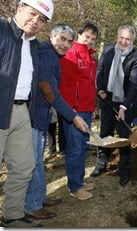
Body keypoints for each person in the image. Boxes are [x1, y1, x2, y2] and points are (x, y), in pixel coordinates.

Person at [25, 23, 88, 219]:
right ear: (51, 36)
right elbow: (48, 90)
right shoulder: (46, 54)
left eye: (69, 41)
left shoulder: (52, 54)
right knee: (32, 163)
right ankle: (31, 205)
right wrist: (73, 116)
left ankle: (40, 196)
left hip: (41, 116)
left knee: (38, 160)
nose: (65, 45)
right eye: (61, 39)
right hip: (32, 116)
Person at [0, 0, 53, 227]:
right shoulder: (2, 30)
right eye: (32, 13)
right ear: (19, 8)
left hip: (21, 112)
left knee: (24, 167)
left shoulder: (32, 45)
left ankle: (12, 216)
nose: (36, 21)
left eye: (42, 19)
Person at [90, 25, 137, 187]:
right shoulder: (108, 51)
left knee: (123, 138)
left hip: (126, 102)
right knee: (105, 133)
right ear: (117, 36)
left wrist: (124, 108)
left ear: (132, 40)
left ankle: (124, 171)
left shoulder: (136, 58)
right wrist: (100, 89)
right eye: (121, 37)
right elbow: (99, 71)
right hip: (107, 99)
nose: (124, 41)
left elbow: (134, 85)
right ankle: (101, 164)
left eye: (127, 39)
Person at [59, 22, 98, 200]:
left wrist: (93, 106)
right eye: (87, 36)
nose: (89, 41)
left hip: (87, 109)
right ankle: (74, 187)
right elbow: (64, 84)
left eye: (93, 39)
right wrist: (70, 111)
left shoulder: (91, 57)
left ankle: (80, 181)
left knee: (83, 147)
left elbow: (89, 85)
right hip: (74, 110)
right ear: (79, 34)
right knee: (74, 149)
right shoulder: (71, 53)